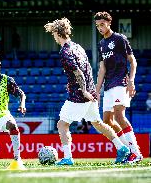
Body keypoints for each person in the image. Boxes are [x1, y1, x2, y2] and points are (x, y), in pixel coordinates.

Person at [44, 17, 130, 165]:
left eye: (54, 34)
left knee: (62, 124)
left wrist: (83, 90)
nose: (55, 37)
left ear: (58, 33)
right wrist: (91, 90)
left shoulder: (65, 51)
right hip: (89, 93)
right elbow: (88, 69)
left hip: (79, 95)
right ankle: (122, 148)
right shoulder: (78, 47)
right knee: (97, 123)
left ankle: (68, 158)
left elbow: (78, 72)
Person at [94, 11, 142, 163]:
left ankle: (136, 153)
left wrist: (131, 81)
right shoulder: (101, 44)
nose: (100, 28)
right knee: (107, 120)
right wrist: (97, 91)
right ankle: (126, 150)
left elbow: (132, 61)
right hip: (108, 85)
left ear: (109, 23)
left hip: (120, 82)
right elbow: (102, 69)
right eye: (97, 26)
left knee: (120, 116)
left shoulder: (120, 39)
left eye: (102, 24)